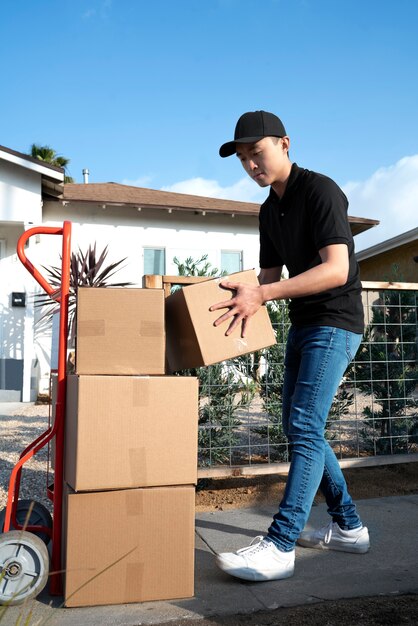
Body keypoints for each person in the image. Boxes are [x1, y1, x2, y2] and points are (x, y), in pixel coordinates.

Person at [209, 110, 370, 582]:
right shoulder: (267, 210)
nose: (251, 165)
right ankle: (349, 527)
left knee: (303, 424)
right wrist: (235, 303)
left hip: (336, 322)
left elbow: (336, 269)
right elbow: (266, 279)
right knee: (303, 427)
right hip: (303, 323)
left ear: (284, 144)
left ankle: (280, 545)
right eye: (242, 159)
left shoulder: (320, 191)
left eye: (256, 153)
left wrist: (263, 294)